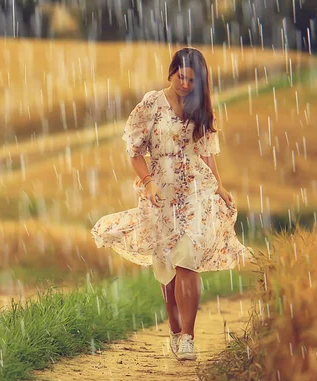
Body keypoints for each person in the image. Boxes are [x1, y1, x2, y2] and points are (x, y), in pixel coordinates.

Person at [91, 47, 253, 361]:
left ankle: (189, 338)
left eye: (193, 80)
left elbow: (206, 151)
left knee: (188, 258)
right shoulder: (151, 104)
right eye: (182, 77)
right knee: (167, 269)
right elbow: (135, 151)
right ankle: (176, 331)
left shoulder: (201, 106)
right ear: (172, 72)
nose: (186, 85)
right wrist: (148, 182)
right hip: (161, 193)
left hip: (195, 191)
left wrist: (218, 186)